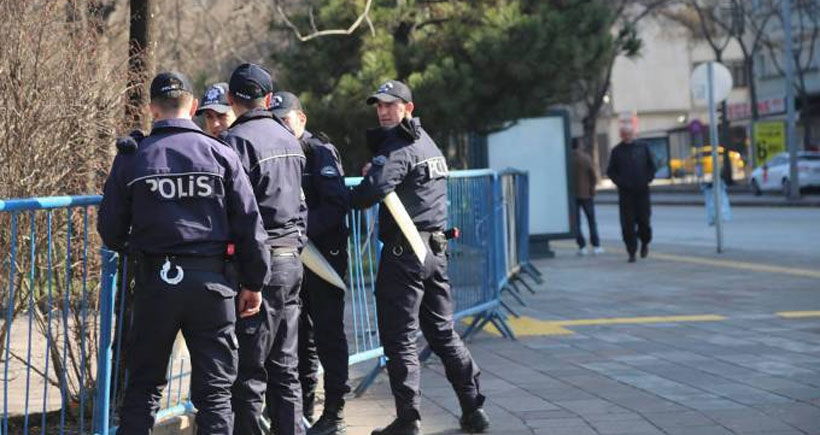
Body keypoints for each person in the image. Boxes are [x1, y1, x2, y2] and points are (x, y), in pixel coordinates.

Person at [98, 71, 270, 435]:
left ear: (152, 109)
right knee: (215, 394)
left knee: (143, 387)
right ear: (193, 106)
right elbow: (249, 224)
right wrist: (254, 282)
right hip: (213, 287)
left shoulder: (133, 159)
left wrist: (137, 247)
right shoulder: (221, 153)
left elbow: (110, 229)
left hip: (155, 284)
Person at [349, 80, 490, 435]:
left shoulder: (399, 145)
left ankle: (408, 419)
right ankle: (473, 408)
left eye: (390, 105)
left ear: (407, 108)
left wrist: (356, 187)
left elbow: (372, 191)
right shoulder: (427, 142)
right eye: (378, 106)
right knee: (442, 333)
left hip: (405, 254)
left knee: (400, 338)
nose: (382, 112)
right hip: (434, 251)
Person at [222, 64, 308, 435]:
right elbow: (301, 206)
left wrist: (251, 276)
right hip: (291, 259)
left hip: (259, 266)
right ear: (269, 99)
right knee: (286, 367)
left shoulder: (234, 142)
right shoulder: (290, 138)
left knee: (249, 371)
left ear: (230, 99)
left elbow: (239, 214)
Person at [271, 91, 351, 435]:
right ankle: (301, 409)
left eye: (286, 121)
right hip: (293, 259)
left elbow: (335, 205)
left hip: (323, 257)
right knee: (298, 337)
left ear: (301, 119)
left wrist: (298, 232)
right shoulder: (277, 151)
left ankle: (334, 411)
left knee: (328, 335)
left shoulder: (319, 151)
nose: (282, 128)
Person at [606, 124, 656, 263]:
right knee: (628, 224)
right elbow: (611, 171)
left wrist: (648, 178)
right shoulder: (617, 151)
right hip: (626, 194)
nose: (628, 136)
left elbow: (652, 166)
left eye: (630, 133)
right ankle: (631, 251)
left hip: (642, 192)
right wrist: (621, 182)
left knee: (644, 221)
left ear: (633, 134)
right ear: (621, 135)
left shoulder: (643, 148)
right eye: (625, 134)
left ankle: (645, 242)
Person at [572, 141, 603, 256]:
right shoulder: (585, 158)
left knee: (576, 222)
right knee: (591, 221)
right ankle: (596, 245)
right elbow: (592, 175)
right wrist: (592, 187)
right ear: (580, 146)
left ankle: (582, 246)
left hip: (572, 196)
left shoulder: (566, 159)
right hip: (586, 194)